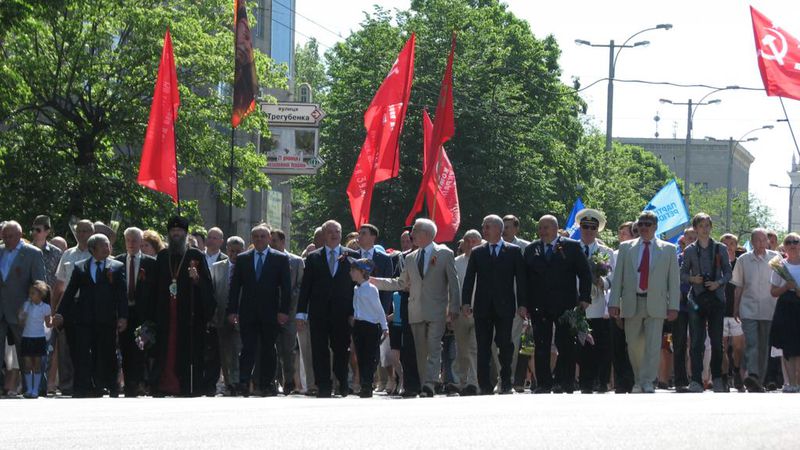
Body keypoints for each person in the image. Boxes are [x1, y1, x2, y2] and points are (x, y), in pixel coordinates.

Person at [371, 218, 461, 398]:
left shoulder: (445, 253)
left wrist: (454, 308)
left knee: (434, 347)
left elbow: (453, 283)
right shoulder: (410, 257)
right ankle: (422, 383)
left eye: (415, 232)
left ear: (426, 234)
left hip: (437, 310)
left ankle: (430, 384)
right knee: (420, 351)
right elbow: (401, 282)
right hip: (416, 311)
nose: (411, 236)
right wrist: (374, 281)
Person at [609, 211, 680, 394]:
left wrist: (673, 306)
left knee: (653, 344)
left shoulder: (668, 249)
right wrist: (614, 302)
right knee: (633, 345)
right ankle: (639, 378)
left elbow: (673, 281)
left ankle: (647, 381)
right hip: (632, 302)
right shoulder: (626, 248)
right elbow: (618, 278)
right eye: (640, 224)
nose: (643, 227)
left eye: (647, 224)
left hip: (656, 302)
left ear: (655, 227)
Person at [53, 233, 127, 397]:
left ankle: (111, 386)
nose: (107, 248)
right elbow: (70, 292)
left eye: (108, 245)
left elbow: (122, 295)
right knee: (83, 353)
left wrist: (123, 316)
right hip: (85, 319)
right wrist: (60, 313)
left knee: (108, 353)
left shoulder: (117, 266)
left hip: (107, 318)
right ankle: (83, 387)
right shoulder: (80, 267)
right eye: (103, 245)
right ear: (92, 249)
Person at [524, 215, 592, 394]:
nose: (543, 231)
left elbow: (585, 273)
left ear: (555, 229)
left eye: (546, 227)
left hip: (565, 305)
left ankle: (566, 382)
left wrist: (585, 298)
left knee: (566, 344)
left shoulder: (571, 246)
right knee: (542, 345)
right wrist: (524, 303)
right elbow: (525, 279)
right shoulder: (531, 249)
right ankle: (544, 383)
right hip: (539, 305)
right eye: (540, 228)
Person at [461, 215, 527, 395]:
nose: (484, 230)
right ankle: (484, 385)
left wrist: (522, 304)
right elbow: (469, 279)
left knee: (505, 345)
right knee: (483, 347)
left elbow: (521, 281)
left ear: (498, 229)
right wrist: (466, 301)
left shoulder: (513, 251)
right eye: (484, 227)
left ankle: (506, 382)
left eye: (487, 227)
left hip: (505, 307)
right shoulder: (477, 252)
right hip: (482, 307)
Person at [151, 216, 215, 397]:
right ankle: (163, 384)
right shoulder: (162, 256)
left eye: (179, 231)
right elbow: (154, 286)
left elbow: (208, 287)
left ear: (185, 234)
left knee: (185, 350)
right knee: (166, 349)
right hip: (165, 311)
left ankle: (185, 386)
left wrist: (196, 279)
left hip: (188, 314)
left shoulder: (195, 256)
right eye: (173, 231)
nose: (176, 234)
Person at [296, 220, 360, 398]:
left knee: (341, 349)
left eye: (337, 231)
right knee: (319, 349)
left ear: (341, 234)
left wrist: (355, 312)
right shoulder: (314, 257)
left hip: (343, 313)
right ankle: (323, 384)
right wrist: (301, 313)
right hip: (319, 312)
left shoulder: (352, 255)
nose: (333, 234)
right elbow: (306, 287)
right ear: (324, 235)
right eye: (330, 232)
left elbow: (358, 285)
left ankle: (341, 382)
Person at [226, 224, 291, 397]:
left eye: (263, 236)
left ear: (269, 238)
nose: (260, 239)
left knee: (269, 349)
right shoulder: (243, 258)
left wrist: (284, 311)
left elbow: (286, 288)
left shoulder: (280, 258)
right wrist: (232, 311)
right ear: (252, 239)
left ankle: (267, 383)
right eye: (256, 236)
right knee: (247, 348)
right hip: (248, 312)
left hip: (271, 312)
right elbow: (234, 287)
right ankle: (244, 382)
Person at [680, 213, 732, 393]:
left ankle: (717, 377)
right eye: (700, 226)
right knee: (696, 342)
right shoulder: (689, 250)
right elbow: (682, 274)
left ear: (711, 227)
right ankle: (695, 380)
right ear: (695, 228)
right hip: (696, 299)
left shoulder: (721, 248)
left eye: (707, 225)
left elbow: (728, 272)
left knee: (717, 341)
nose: (704, 229)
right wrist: (693, 278)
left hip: (716, 299)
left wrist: (718, 283)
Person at [0, 221, 47, 394]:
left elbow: (40, 284)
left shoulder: (32, 253)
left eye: (10, 236)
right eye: (4, 236)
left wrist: (31, 308)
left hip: (22, 311)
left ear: (19, 235)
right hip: (1, 310)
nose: (6, 239)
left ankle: (33, 388)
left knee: (27, 351)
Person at [731, 228, 778, 392]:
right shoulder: (743, 260)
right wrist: (735, 308)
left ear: (768, 241)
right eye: (756, 240)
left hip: (769, 309)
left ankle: (759, 380)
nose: (760, 243)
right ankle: (753, 375)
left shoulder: (775, 258)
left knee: (764, 345)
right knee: (752, 343)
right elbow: (738, 287)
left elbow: (782, 282)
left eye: (763, 240)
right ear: (751, 242)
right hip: (748, 308)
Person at [575, 208, 616, 394]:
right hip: (576, 303)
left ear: (597, 230)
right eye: (585, 227)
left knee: (600, 346)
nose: (588, 231)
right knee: (580, 346)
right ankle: (584, 382)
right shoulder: (571, 247)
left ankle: (601, 381)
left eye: (592, 227)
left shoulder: (605, 251)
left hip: (598, 303)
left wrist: (603, 282)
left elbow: (613, 277)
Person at [52, 219, 94, 395]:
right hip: (69, 305)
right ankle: (67, 385)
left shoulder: (96, 254)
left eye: (85, 231)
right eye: (79, 231)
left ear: (92, 233)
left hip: (90, 305)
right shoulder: (67, 255)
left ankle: (88, 383)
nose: (82, 234)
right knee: (66, 346)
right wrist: (55, 310)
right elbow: (59, 285)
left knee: (88, 346)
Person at [115, 227, 157, 397]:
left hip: (142, 314)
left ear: (141, 242)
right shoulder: (117, 262)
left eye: (134, 240)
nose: (131, 244)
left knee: (140, 348)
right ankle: (129, 383)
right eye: (128, 240)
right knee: (125, 348)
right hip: (124, 312)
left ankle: (139, 381)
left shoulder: (150, 263)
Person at [356, 224, 394, 392]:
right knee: (359, 349)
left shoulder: (384, 259)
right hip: (357, 314)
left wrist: (384, 313)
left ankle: (367, 381)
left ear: (373, 237)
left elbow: (387, 289)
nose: (359, 237)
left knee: (372, 350)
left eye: (363, 234)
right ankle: (362, 380)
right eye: (359, 233)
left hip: (375, 314)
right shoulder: (351, 256)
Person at [270, 229, 305, 394]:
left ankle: (289, 380)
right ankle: (273, 380)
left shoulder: (297, 262)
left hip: (290, 313)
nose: (272, 244)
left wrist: (287, 299)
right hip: (270, 311)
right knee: (271, 348)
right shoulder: (266, 260)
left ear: (283, 242)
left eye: (275, 240)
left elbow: (300, 285)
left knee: (288, 350)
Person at [349, 258, 389, 398]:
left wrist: (384, 326)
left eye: (353, 270)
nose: (351, 273)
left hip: (371, 326)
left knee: (370, 356)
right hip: (359, 325)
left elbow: (378, 309)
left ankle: (367, 385)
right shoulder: (356, 289)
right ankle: (364, 384)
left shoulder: (371, 289)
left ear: (362, 272)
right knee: (361, 356)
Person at [210, 236, 244, 396]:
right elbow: (213, 291)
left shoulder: (246, 266)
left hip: (240, 317)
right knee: (224, 352)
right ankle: (228, 382)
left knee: (238, 350)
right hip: (221, 316)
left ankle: (237, 381)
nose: (234, 254)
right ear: (227, 250)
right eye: (231, 251)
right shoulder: (217, 267)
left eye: (238, 251)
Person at [501, 214, 530, 392]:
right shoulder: (494, 246)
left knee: (514, 342)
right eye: (503, 226)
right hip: (498, 302)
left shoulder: (525, 248)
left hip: (518, 303)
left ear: (516, 228)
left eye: (508, 226)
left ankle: (510, 379)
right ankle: (502, 376)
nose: (505, 230)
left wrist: (525, 304)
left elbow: (527, 278)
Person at [769, 232, 800, 392]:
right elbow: (773, 292)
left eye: (796, 241)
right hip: (786, 308)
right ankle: (792, 384)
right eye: (789, 242)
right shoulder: (779, 266)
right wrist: (785, 287)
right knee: (788, 347)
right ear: (785, 246)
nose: (792, 244)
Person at [452, 229, 481, 396]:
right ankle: (461, 381)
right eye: (467, 241)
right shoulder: (456, 262)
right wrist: (451, 310)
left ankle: (473, 382)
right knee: (461, 350)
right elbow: (452, 289)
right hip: (460, 313)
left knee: (474, 347)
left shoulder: (484, 260)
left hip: (479, 312)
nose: (470, 244)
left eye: (474, 241)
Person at [610, 221, 636, 393]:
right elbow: (614, 282)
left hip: (637, 305)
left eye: (625, 233)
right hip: (619, 304)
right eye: (620, 233)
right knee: (618, 345)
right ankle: (620, 381)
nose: (622, 236)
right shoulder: (615, 254)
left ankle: (635, 379)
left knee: (634, 346)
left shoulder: (641, 252)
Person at [720, 233, 745, 391]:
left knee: (737, 347)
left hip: (737, 313)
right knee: (721, 347)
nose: (729, 247)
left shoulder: (740, 264)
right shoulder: (716, 263)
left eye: (732, 244)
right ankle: (724, 376)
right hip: (720, 312)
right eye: (725, 244)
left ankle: (736, 371)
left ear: (736, 247)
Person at [18, 281, 52, 398]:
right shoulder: (27, 305)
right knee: (27, 364)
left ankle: (35, 390)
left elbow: (48, 324)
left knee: (37, 364)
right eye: (30, 293)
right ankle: (29, 389)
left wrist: (55, 320)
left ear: (41, 295)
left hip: (39, 338)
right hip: (27, 337)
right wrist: (22, 316)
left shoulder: (46, 307)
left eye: (33, 293)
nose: (30, 295)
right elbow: (21, 322)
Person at [673, 226, 697, 393]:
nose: (692, 241)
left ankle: (697, 379)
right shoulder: (676, 259)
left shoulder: (704, 259)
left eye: (694, 238)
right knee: (679, 344)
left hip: (698, 307)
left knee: (697, 344)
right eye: (689, 238)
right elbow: (671, 280)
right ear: (683, 241)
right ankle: (680, 380)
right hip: (680, 307)